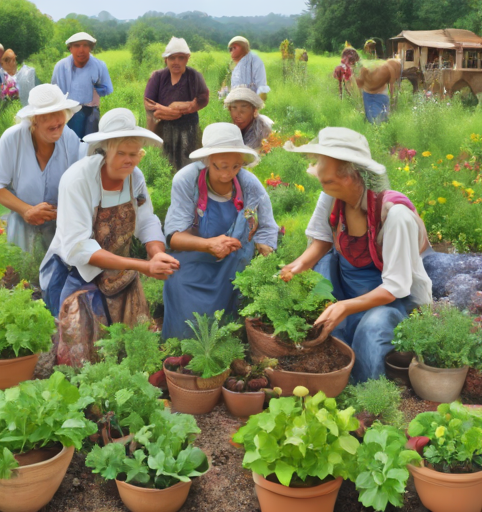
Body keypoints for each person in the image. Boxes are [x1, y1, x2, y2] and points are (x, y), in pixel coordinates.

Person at [281, 127, 432, 382]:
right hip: (347, 288)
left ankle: (365, 392)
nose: (321, 182)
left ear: (351, 176)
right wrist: (293, 268)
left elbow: (395, 287)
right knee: (322, 288)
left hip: (390, 300)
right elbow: (321, 241)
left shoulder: (395, 215)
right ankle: (331, 376)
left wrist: (345, 306)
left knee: (371, 328)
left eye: (327, 179)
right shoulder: (331, 195)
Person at [39, 108, 179, 366]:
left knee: (128, 350)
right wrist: (144, 266)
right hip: (78, 277)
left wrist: (157, 253)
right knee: (85, 358)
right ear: (104, 150)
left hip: (119, 277)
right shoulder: (77, 180)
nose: (129, 160)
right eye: (122, 154)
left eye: (134, 153)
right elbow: (79, 247)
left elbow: (146, 219)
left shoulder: (134, 177)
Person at [162, 123, 278, 339]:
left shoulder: (249, 184)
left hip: (234, 261)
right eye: (220, 167)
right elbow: (174, 237)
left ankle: (230, 346)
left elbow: (267, 227)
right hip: (194, 259)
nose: (228, 174)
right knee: (178, 285)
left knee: (234, 315)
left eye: (236, 167)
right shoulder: (187, 181)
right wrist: (208, 245)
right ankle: (183, 349)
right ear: (207, 161)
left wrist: (266, 256)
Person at [0, 84, 85, 254]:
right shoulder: (12, 139)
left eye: (60, 121)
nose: (56, 124)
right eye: (48, 119)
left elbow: (81, 179)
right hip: (22, 223)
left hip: (60, 223)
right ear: (34, 120)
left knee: (57, 271)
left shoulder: (69, 138)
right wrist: (27, 210)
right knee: (19, 273)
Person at [144, 37, 209, 171]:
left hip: (189, 129)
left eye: (181, 58)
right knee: (165, 166)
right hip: (163, 128)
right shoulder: (158, 76)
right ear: (166, 59)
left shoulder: (195, 76)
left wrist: (187, 107)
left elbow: (204, 98)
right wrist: (167, 111)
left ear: (187, 58)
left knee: (189, 165)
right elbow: (148, 101)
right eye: (172, 58)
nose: (176, 62)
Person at [52, 32, 113, 139]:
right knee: (72, 142)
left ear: (90, 48)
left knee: (91, 142)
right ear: (70, 48)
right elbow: (54, 92)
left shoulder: (99, 65)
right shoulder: (61, 67)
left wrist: (95, 86)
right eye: (77, 46)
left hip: (92, 110)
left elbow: (106, 88)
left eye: (85, 45)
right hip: (69, 111)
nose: (81, 50)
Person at [224, 86, 273, 151]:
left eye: (244, 107)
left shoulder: (260, 131)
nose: (238, 114)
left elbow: (247, 155)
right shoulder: (233, 128)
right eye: (234, 108)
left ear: (254, 111)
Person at [356, 59, 401, 123]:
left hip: (375, 94)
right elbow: (391, 86)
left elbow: (391, 86)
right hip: (375, 94)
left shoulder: (385, 69)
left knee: (375, 114)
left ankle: (377, 125)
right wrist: (392, 97)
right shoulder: (389, 70)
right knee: (377, 115)